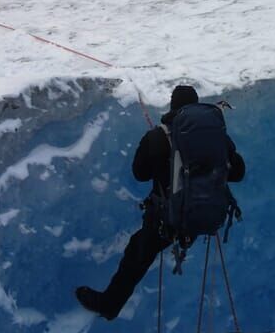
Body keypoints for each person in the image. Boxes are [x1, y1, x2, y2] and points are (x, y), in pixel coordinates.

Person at [76, 85, 246, 320]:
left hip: (166, 220)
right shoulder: (216, 137)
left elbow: (140, 173)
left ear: (172, 105)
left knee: (136, 255)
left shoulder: (157, 136)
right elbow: (238, 172)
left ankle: (109, 305)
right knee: (153, 242)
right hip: (208, 213)